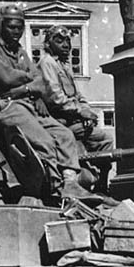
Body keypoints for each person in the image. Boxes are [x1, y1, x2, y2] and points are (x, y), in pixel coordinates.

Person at [0, 4, 86, 204]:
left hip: (25, 103)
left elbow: (41, 80)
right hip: (4, 106)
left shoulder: (19, 51)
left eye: (20, 27)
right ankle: (51, 191)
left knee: (65, 135)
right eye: (11, 27)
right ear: (0, 25)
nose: (16, 32)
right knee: (43, 141)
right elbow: (6, 78)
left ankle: (70, 185)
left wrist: (33, 91)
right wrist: (30, 84)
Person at [36, 25, 114, 190]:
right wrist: (80, 112)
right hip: (58, 121)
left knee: (105, 140)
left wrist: (86, 111)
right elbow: (55, 98)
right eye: (59, 41)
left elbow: (78, 96)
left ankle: (101, 187)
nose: (66, 45)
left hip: (74, 120)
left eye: (68, 41)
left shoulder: (64, 66)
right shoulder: (47, 63)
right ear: (49, 45)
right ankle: (79, 181)